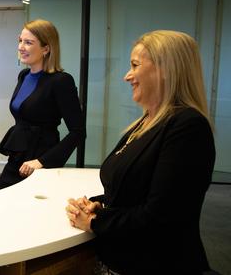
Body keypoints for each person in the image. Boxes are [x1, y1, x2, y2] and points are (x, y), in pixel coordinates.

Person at [65, 30, 216, 274]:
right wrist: (99, 205)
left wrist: (95, 221)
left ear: (166, 69)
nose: (127, 76)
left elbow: (161, 216)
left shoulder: (188, 127)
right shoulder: (146, 121)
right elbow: (134, 192)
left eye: (135, 65)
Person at [0, 19, 85, 190]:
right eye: (20, 41)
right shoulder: (24, 75)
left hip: (40, 161)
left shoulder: (61, 81)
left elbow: (78, 132)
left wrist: (41, 162)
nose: (21, 46)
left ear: (46, 48)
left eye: (28, 42)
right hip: (17, 156)